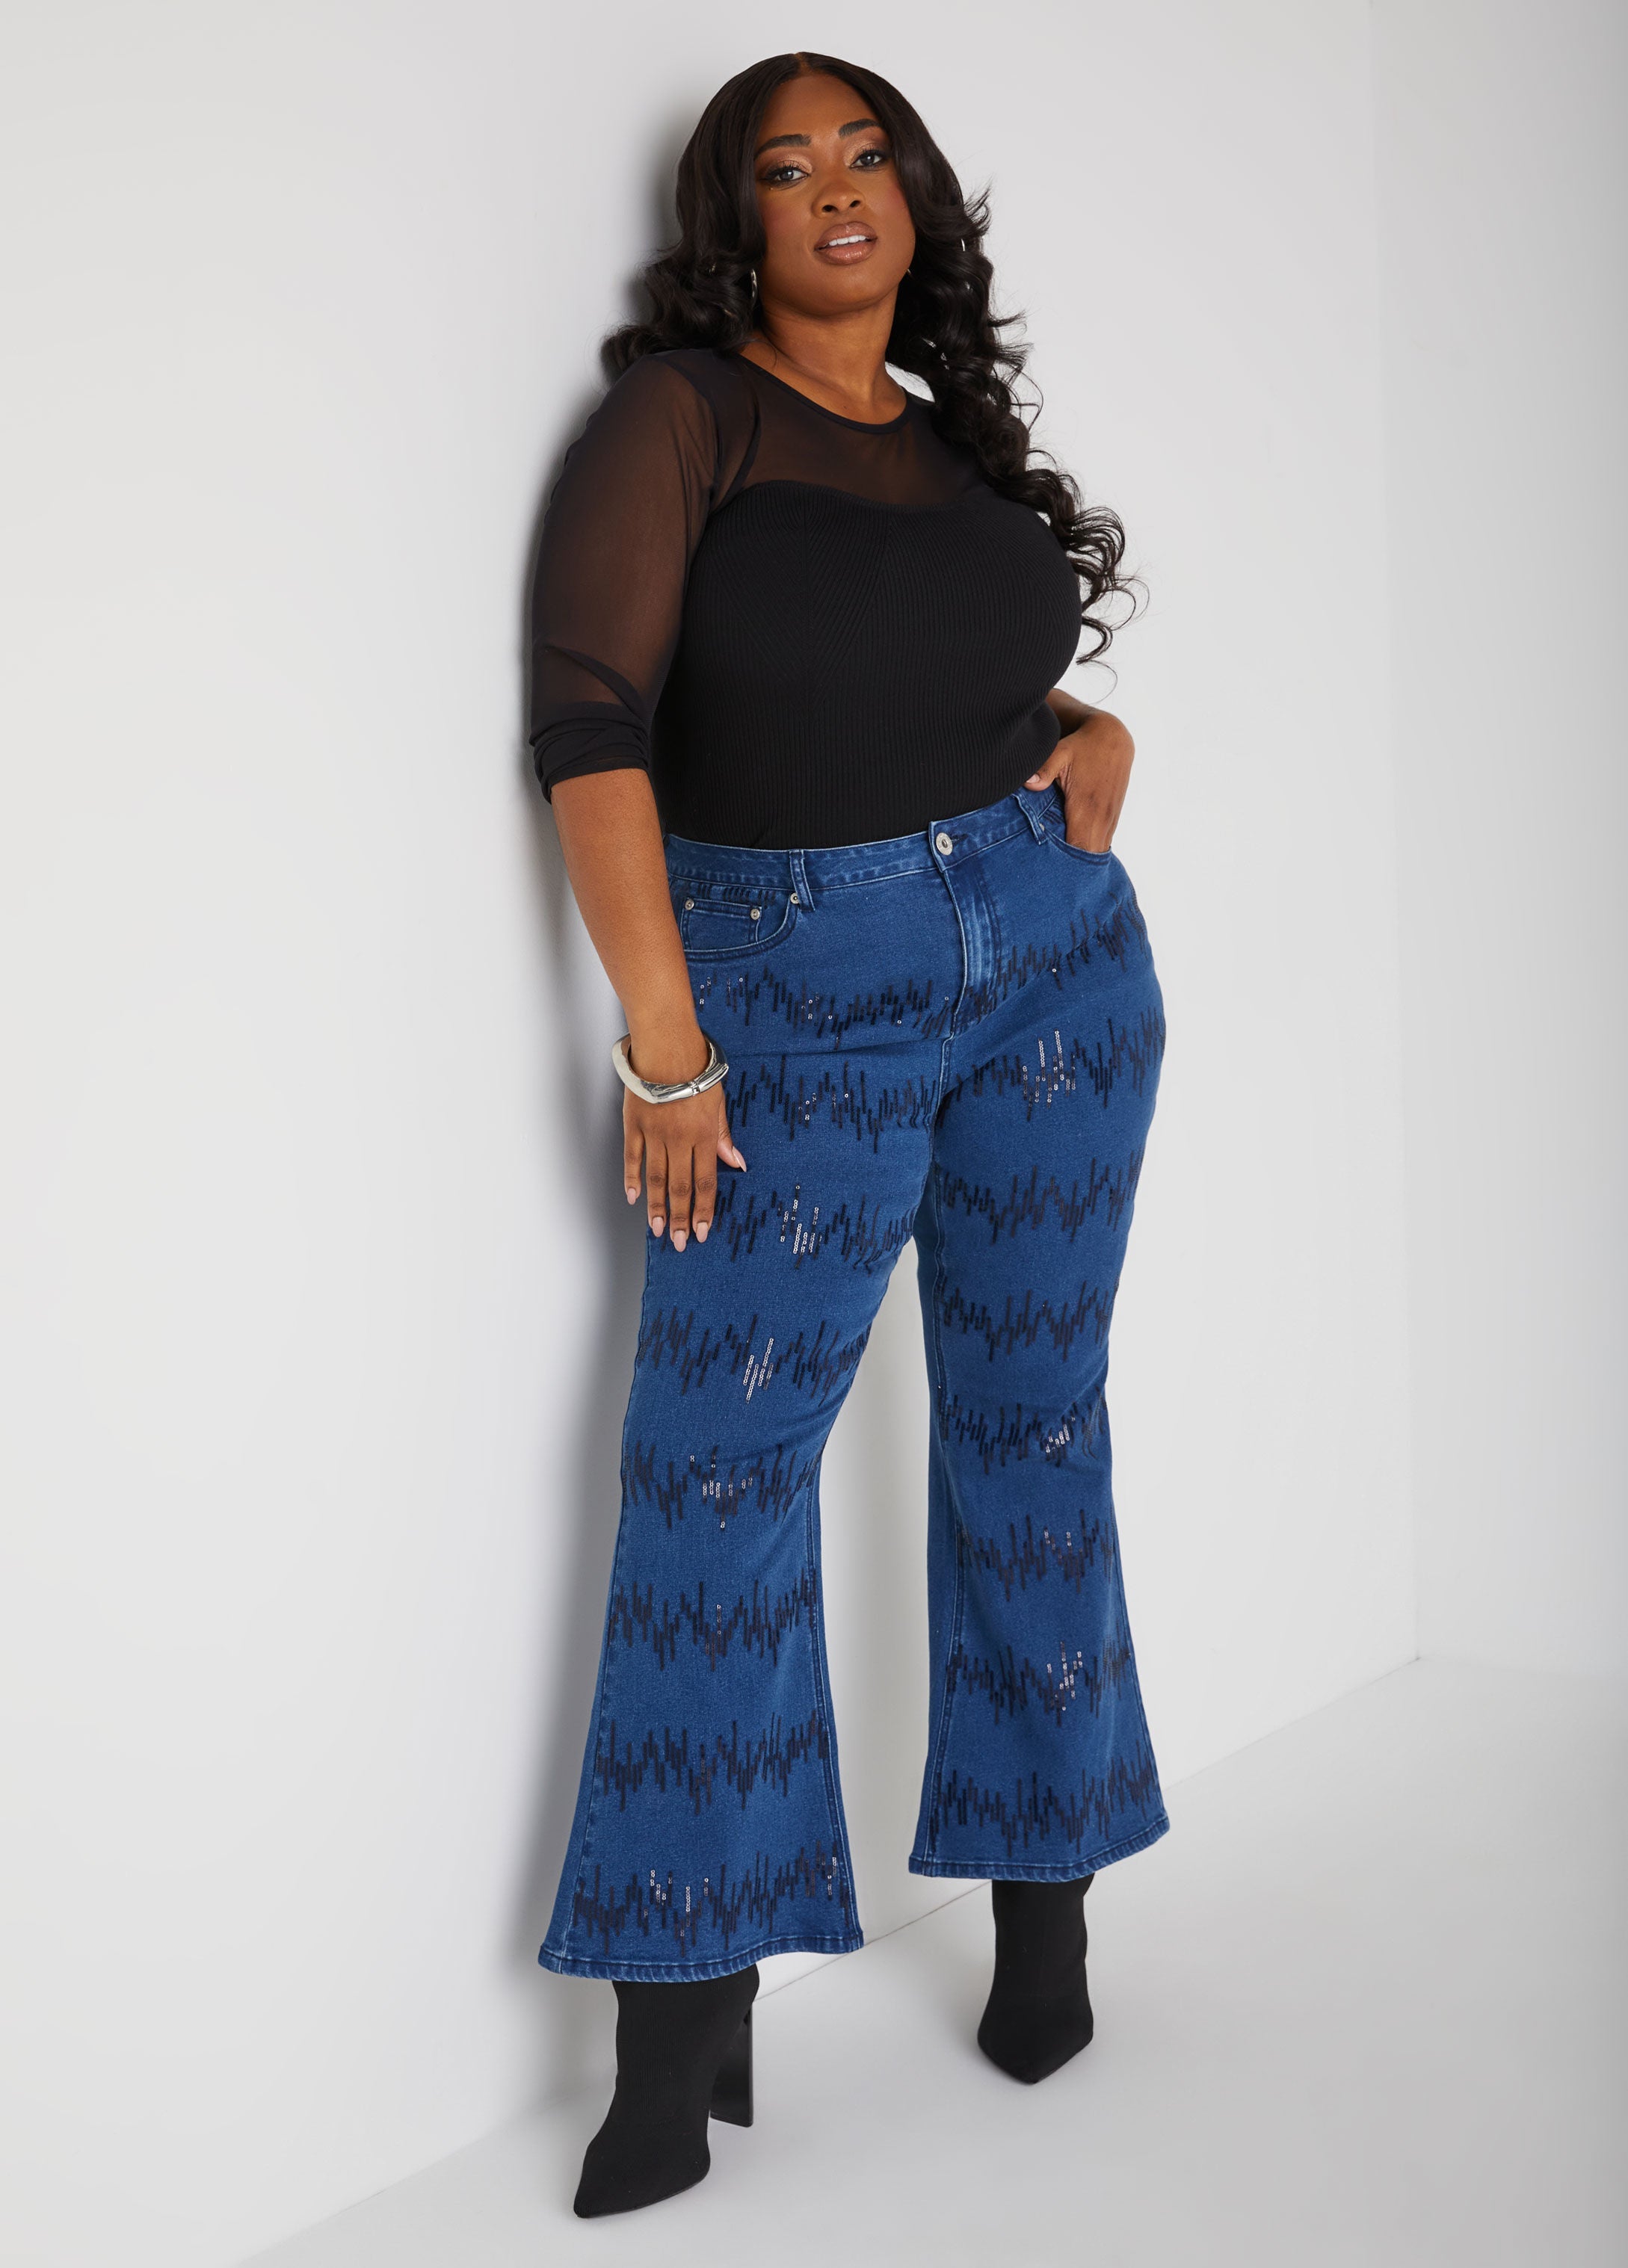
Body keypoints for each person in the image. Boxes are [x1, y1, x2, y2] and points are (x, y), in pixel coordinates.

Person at [528, 50, 1169, 2219]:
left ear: (913, 198)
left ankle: (1046, 1910)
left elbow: (925, 677)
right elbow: (592, 723)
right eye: (786, 163)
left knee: (1034, 1421)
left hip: (1055, 965)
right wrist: (669, 1043)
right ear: (735, 220)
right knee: (714, 1470)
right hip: (790, 992)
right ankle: (677, 2015)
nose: (835, 186)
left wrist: (1086, 720)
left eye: (866, 151)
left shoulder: (950, 437)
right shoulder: (684, 421)